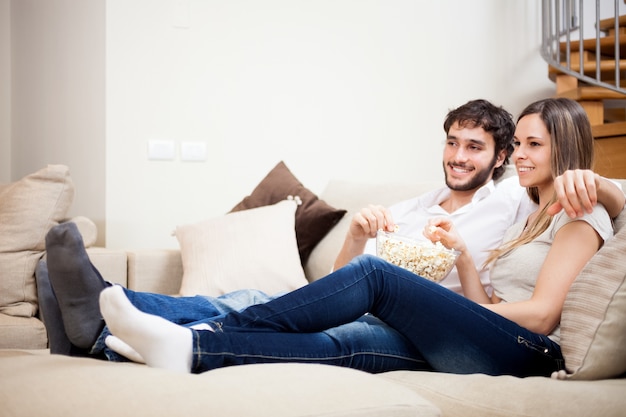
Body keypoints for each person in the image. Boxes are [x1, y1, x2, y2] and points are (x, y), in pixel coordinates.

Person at [40, 99, 624, 371]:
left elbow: (544, 316)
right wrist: (468, 264)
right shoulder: (529, 213)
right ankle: (172, 341)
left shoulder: (579, 209)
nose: (521, 155)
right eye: (518, 143)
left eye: (532, 146)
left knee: (374, 278)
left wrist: (601, 184)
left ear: (565, 151)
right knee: (345, 344)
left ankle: (198, 328)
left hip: (526, 351)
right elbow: (488, 301)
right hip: (478, 328)